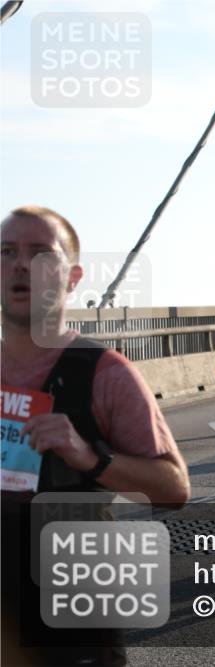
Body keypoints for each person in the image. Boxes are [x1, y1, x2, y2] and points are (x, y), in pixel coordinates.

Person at [1, 205, 190, 666]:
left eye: (41, 254)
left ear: (72, 277)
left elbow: (173, 488)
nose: (21, 265)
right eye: (7, 252)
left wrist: (92, 458)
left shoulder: (105, 373)